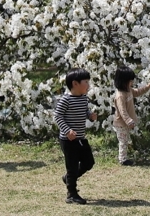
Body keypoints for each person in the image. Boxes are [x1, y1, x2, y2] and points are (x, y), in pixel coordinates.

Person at [55, 69, 97, 205]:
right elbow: (58, 116)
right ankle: (71, 194)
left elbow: (84, 110)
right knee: (72, 167)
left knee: (89, 162)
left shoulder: (83, 98)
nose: (88, 85)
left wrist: (90, 115)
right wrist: (67, 131)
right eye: (86, 82)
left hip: (80, 138)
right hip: (68, 140)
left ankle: (68, 178)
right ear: (75, 83)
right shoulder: (66, 100)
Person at [112, 65, 150, 166]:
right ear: (123, 81)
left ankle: (124, 156)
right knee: (123, 141)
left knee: (125, 140)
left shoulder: (128, 90)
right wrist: (129, 121)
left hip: (126, 123)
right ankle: (123, 159)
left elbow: (137, 92)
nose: (132, 83)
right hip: (121, 123)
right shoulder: (120, 95)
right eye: (130, 81)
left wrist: (147, 87)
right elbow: (122, 111)